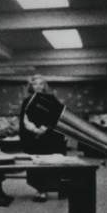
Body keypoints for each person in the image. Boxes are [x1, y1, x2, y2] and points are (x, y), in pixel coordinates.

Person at [19, 74, 67, 202]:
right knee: (36, 164)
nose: (38, 86)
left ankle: (46, 189)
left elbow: (57, 116)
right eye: (35, 84)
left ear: (44, 86)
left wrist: (45, 128)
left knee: (48, 163)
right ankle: (39, 190)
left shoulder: (51, 99)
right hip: (33, 137)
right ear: (31, 86)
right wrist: (34, 129)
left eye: (41, 84)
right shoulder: (27, 101)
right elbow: (24, 119)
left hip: (49, 137)